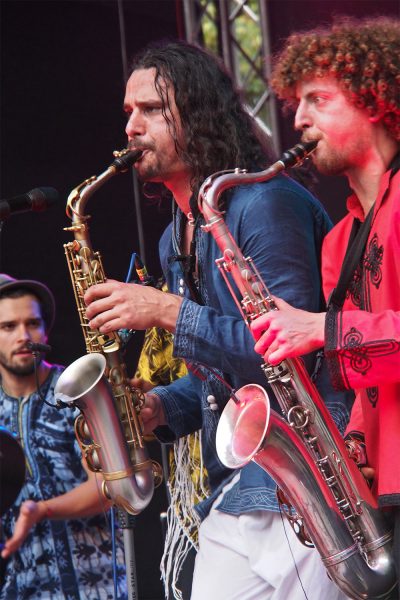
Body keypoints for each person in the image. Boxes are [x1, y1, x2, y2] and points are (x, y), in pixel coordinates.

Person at [84, 40, 353, 600]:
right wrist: (163, 406)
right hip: (238, 485)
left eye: (151, 110)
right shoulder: (172, 237)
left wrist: (167, 311)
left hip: (306, 483)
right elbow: (221, 381)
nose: (131, 127)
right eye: (128, 112)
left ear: (198, 110)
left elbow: (292, 349)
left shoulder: (263, 203)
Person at [250, 13, 400, 592]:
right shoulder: (339, 238)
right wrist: (356, 446)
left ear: (377, 98)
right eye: (295, 104)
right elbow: (368, 379)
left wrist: (323, 328)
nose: (299, 119)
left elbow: (347, 334)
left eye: (317, 99)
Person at [0, 273, 127, 599]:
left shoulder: (76, 390)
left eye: (33, 323)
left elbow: (109, 486)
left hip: (99, 586)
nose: (24, 336)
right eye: (8, 327)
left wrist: (42, 509)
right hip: (25, 588)